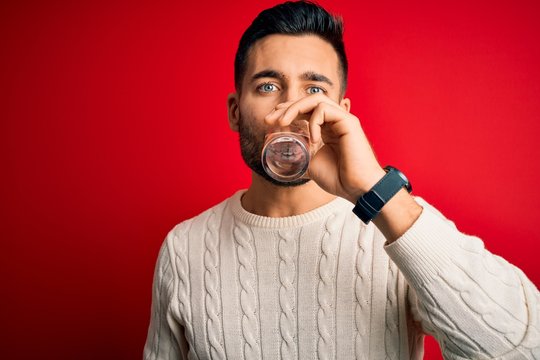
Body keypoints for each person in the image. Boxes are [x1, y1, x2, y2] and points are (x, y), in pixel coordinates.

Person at [143, 1, 540, 359]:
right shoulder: (184, 248)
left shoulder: (398, 233)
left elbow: (524, 348)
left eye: (314, 89)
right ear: (235, 111)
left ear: (341, 111)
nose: (291, 108)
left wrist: (377, 191)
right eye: (268, 86)